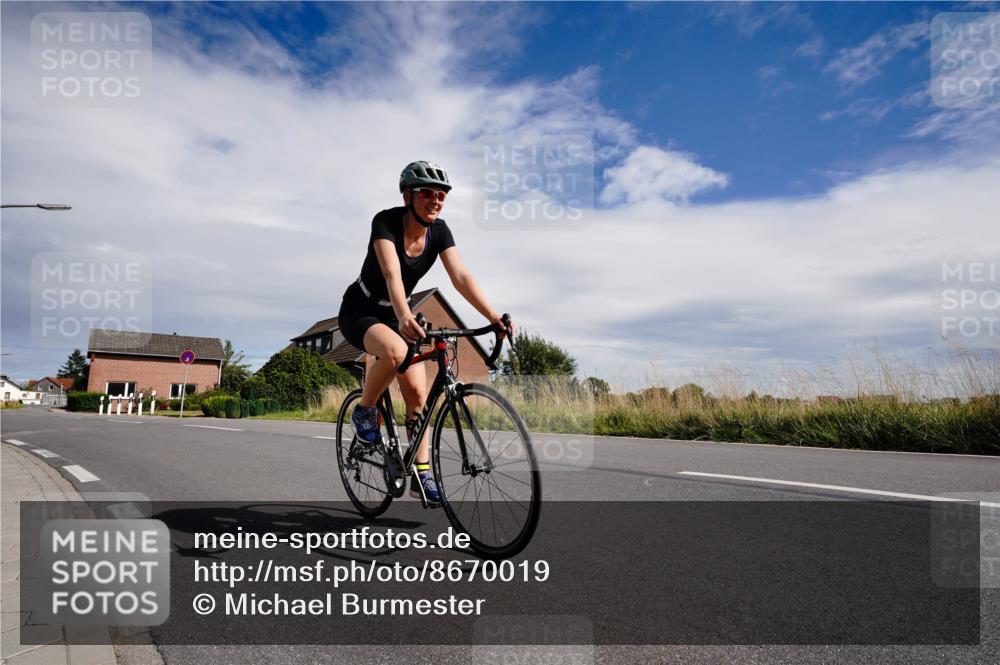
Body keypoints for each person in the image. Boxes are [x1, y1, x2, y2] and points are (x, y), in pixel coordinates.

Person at [337, 161, 515, 505]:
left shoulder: (441, 232)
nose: (436, 200)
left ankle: (421, 470)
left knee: (418, 396)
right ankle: (365, 409)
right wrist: (403, 314)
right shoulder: (385, 221)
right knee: (394, 351)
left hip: (401, 315)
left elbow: (460, 276)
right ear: (408, 196)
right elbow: (392, 275)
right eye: (428, 193)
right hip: (362, 310)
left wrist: (492, 316)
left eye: (442, 195)